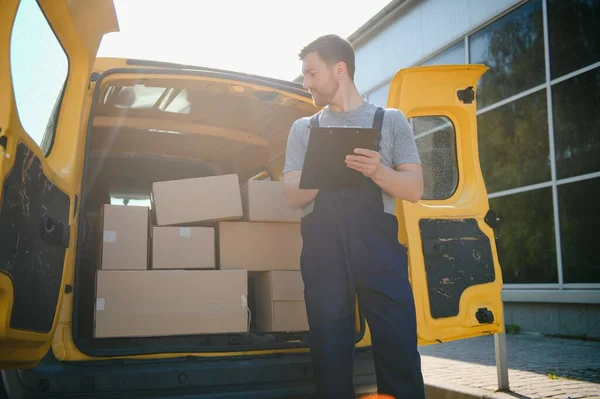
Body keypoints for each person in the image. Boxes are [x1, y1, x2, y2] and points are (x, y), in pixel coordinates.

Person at [282, 34, 426, 399]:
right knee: (329, 354)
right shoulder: (303, 130)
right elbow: (290, 196)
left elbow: (414, 188)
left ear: (340, 69)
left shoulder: (390, 121)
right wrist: (325, 164)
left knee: (399, 350)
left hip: (379, 252)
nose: (306, 83)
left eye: (312, 73)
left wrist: (379, 171)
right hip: (324, 256)